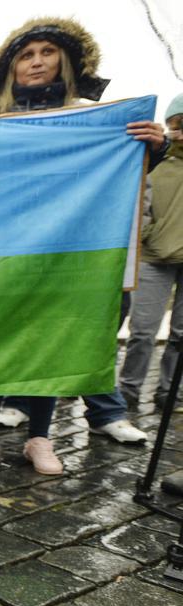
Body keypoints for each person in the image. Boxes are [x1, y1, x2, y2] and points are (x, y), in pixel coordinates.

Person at [0, 16, 166, 474]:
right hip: (4, 250)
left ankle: (39, 437)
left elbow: (118, 178)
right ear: (10, 69)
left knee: (50, 339)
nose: (37, 62)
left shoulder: (94, 121)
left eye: (46, 52)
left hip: (64, 251)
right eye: (26, 55)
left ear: (66, 61)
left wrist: (150, 149)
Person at [120, 94, 183, 410]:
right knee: (142, 331)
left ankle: (170, 392)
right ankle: (128, 391)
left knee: (181, 335)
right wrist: (144, 237)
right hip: (154, 256)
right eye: (175, 126)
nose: (179, 133)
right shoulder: (155, 157)